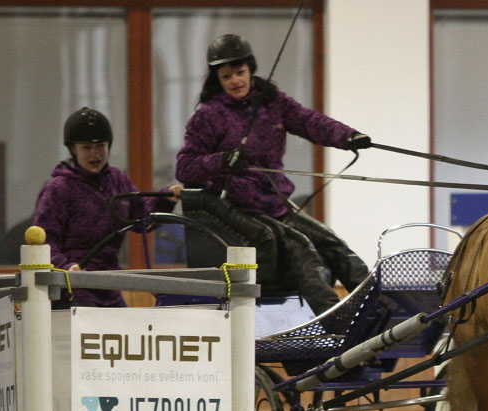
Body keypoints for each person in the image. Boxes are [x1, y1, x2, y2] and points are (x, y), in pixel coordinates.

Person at [176, 33, 371, 316]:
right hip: (239, 209)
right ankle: (339, 323)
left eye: (240, 72)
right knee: (301, 247)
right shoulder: (208, 115)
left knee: (332, 243)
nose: (235, 81)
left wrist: (349, 137)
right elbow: (185, 168)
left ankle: (376, 308)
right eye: (226, 76)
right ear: (217, 79)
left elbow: (310, 122)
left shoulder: (273, 102)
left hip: (275, 201)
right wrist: (223, 160)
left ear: (251, 69)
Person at [33, 107, 182, 308]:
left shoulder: (117, 179)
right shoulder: (58, 188)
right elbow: (44, 240)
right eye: (86, 148)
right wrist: (65, 267)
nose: (95, 154)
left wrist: (165, 200)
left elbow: (141, 220)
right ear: (73, 149)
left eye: (101, 146)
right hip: (72, 288)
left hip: (109, 285)